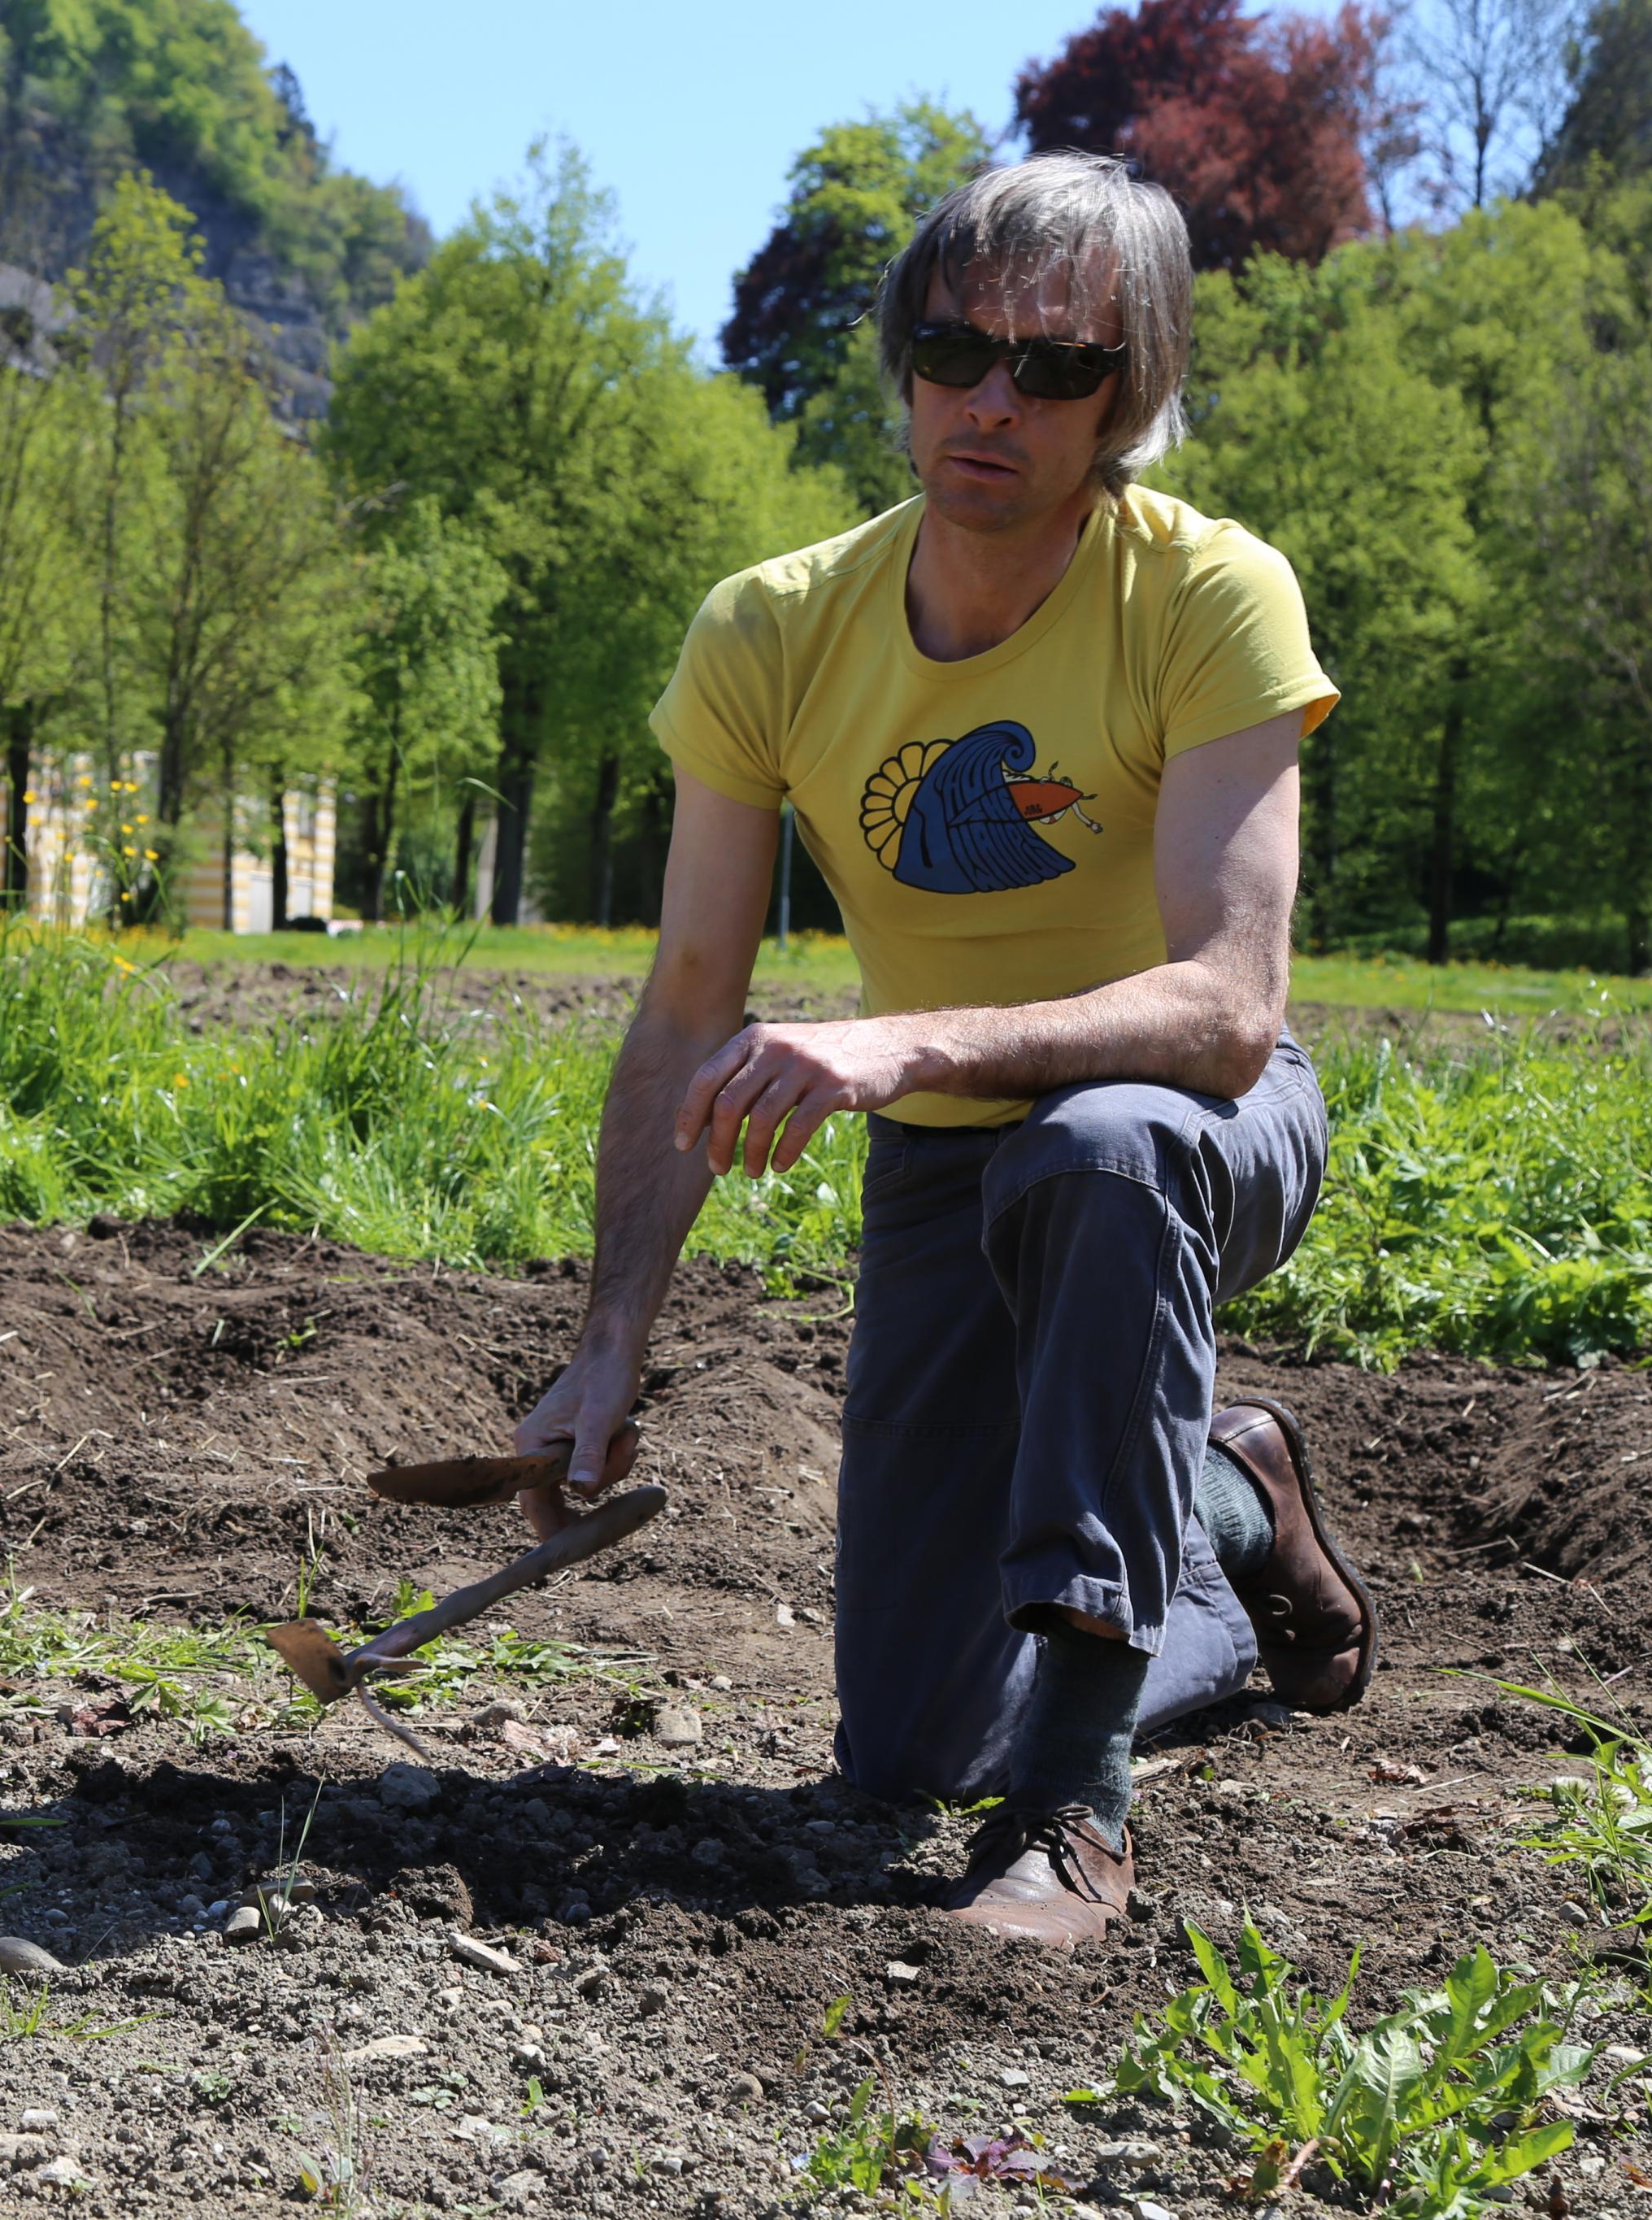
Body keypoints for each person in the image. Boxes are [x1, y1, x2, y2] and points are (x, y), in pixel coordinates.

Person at [514, 151, 1378, 1952]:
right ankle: (1225, 1504)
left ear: (1128, 395)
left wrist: (902, 1038)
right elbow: (686, 1005)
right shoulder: (772, 629)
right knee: (907, 1746)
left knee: (1099, 1149)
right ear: (902, 362)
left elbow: (1228, 1010)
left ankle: (1075, 1801)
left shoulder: (1208, 594)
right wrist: (605, 1347)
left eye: (1056, 367)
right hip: (947, 1162)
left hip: (1194, 1132)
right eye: (954, 350)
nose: (993, 398)